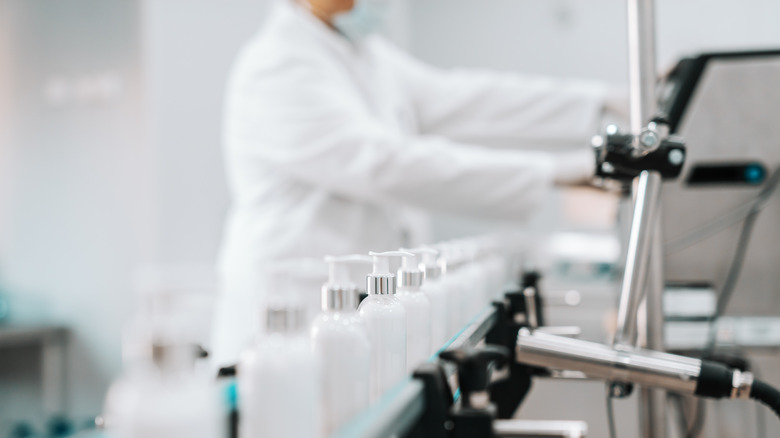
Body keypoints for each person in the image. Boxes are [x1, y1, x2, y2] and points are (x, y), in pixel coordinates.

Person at [211, 0, 624, 368]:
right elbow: (386, 165)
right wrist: (554, 171)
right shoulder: (278, 66)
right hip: (295, 321)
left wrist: (602, 100)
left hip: (352, 319)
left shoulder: (362, 54)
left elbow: (467, 99)